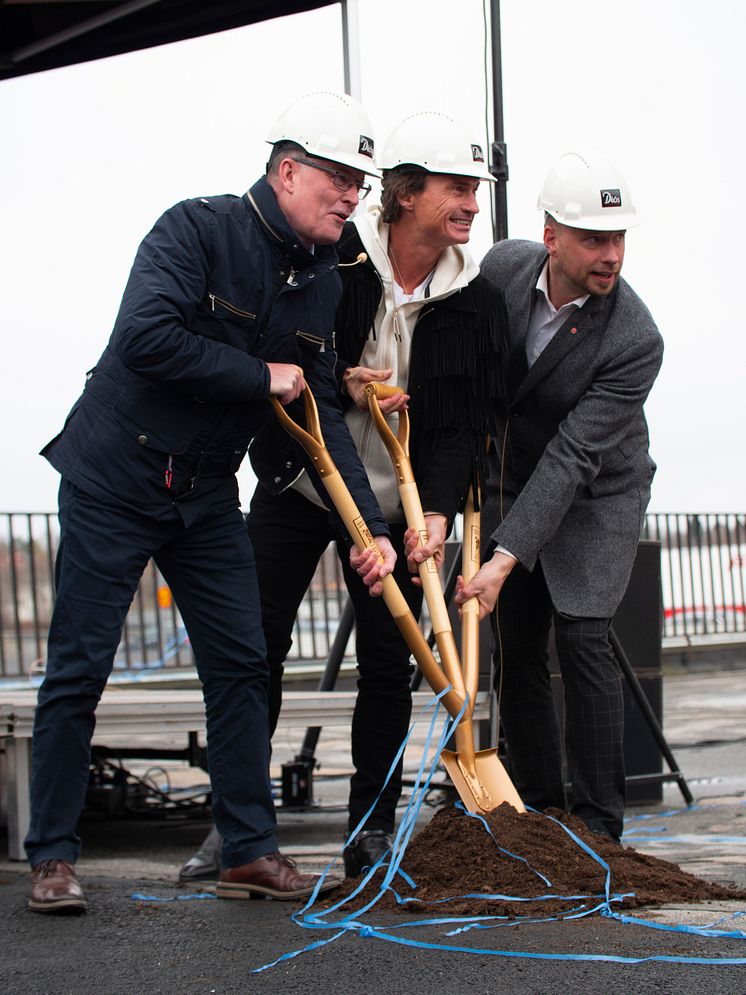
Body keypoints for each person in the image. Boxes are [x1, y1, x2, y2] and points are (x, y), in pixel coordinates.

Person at [25, 90, 395, 913]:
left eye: (359, 184)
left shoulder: (326, 285)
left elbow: (321, 410)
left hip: (204, 495)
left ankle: (248, 850)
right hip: (114, 476)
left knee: (239, 665)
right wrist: (260, 375)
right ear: (287, 169)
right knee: (78, 669)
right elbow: (145, 339)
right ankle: (51, 856)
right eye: (338, 176)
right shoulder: (194, 229)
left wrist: (368, 529)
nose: (351, 195)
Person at [179, 111, 508, 882]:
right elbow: (292, 360)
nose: (470, 204)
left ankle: (370, 828)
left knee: (387, 665)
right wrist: (344, 382)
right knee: (251, 646)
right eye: (456, 188)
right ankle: (237, 827)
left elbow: (466, 422)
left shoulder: (476, 300)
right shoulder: (335, 260)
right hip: (301, 482)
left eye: (474, 190)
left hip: (398, 509)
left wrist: (431, 513)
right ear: (404, 193)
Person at [454, 150, 664, 842]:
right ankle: (540, 813)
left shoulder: (635, 337)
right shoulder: (504, 268)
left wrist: (504, 555)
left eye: (620, 238)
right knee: (516, 637)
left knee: (580, 634)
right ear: (551, 238)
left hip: (599, 486)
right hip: (520, 471)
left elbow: (575, 455)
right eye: (595, 239)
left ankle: (600, 827)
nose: (612, 254)